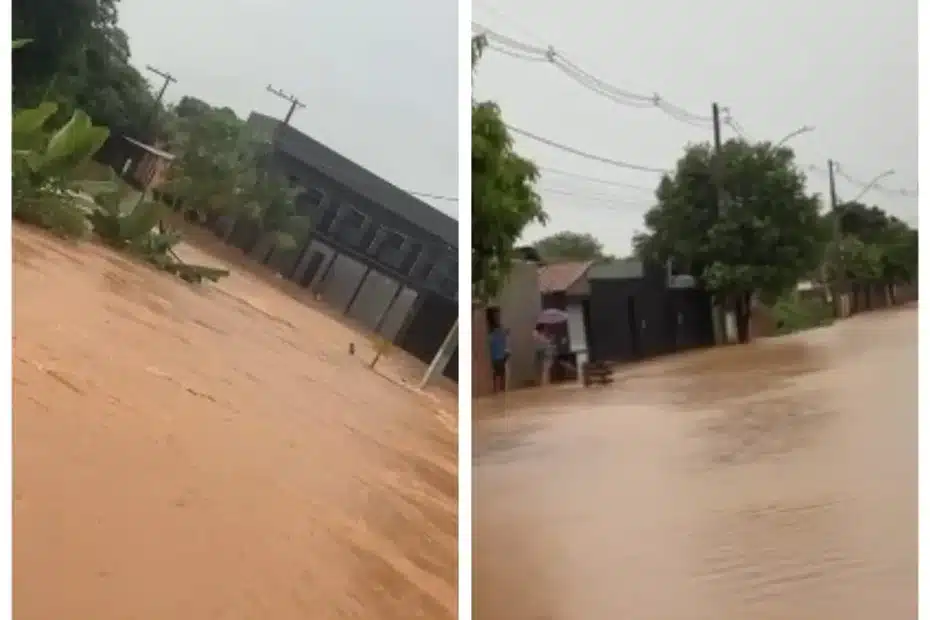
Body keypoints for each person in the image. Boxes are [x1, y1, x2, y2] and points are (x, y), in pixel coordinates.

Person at [488, 323, 509, 393]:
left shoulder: (491, 336)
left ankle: (497, 390)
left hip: (494, 358)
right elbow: (505, 348)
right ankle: (501, 390)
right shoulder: (501, 336)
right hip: (500, 358)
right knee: (501, 375)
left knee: (497, 375)